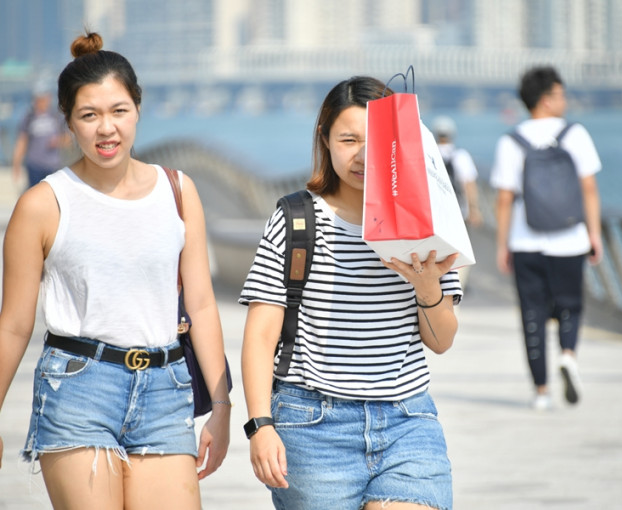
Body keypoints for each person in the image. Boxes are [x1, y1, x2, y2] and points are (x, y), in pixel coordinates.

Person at [0, 32, 231, 509]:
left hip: (167, 390)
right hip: (79, 387)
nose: (107, 129)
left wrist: (222, 405)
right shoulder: (43, 205)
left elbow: (204, 305)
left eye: (119, 111)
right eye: (89, 115)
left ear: (138, 109)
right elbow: (14, 325)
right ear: (68, 122)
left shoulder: (178, 191)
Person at [240, 76, 462, 510]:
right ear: (324, 139)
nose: (362, 155)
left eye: (376, 141)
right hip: (312, 426)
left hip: (406, 419)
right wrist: (260, 425)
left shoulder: (427, 222)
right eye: (348, 139)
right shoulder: (297, 218)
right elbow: (260, 336)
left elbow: (441, 341)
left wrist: (426, 286)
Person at [490, 65, 603, 411]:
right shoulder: (575, 134)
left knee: (532, 315)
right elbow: (589, 187)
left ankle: (541, 391)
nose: (564, 100)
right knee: (570, 305)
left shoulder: (511, 141)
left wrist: (502, 244)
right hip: (570, 238)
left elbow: (504, 198)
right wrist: (593, 234)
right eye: (560, 94)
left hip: (526, 241)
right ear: (546, 99)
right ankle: (568, 355)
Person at [12, 82, 71, 189]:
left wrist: (58, 141)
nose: (42, 102)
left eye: (44, 98)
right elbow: (22, 141)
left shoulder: (56, 116)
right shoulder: (29, 117)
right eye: (39, 99)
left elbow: (67, 139)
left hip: (53, 165)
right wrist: (16, 164)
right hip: (34, 165)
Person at [431, 115, 483, 228]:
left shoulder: (429, 155)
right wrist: (474, 209)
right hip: (458, 212)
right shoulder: (461, 156)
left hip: (434, 214)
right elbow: (469, 184)